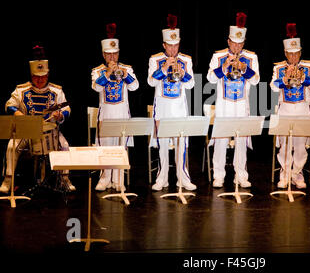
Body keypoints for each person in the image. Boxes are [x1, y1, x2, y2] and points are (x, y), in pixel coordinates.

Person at [0, 45, 75, 193]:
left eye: (42, 76)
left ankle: (65, 179)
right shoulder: (21, 90)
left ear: (47, 75)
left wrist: (60, 115)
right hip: (26, 131)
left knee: (65, 145)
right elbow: (9, 105)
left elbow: (67, 109)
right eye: (36, 76)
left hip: (50, 131)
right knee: (11, 147)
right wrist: (17, 114)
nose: (40, 80)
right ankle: (8, 179)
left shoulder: (56, 90)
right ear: (31, 75)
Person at [206, 12, 260, 188]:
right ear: (228, 41)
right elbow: (210, 78)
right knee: (221, 140)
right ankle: (219, 175)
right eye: (233, 42)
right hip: (224, 105)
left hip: (242, 105)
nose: (236, 46)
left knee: (241, 141)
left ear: (243, 43)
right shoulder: (218, 56)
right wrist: (224, 66)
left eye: (240, 43)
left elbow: (256, 80)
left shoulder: (251, 57)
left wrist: (245, 69)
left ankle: (241, 175)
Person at [148, 14, 196, 191]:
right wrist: (164, 68)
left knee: (181, 146)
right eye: (170, 46)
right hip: (161, 109)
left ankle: (182, 178)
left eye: (176, 45)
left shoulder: (186, 60)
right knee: (162, 147)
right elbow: (151, 82)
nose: (173, 50)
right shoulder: (155, 60)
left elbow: (191, 84)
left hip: (179, 110)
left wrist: (183, 73)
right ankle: (162, 179)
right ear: (164, 45)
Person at [270, 23, 310, 189]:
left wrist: (303, 77)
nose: (293, 57)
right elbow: (273, 86)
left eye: (296, 54)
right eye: (290, 54)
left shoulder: (309, 66)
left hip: (303, 111)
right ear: (285, 53)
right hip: (285, 111)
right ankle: (284, 173)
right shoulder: (278, 68)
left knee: (300, 146)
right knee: (285, 144)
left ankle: (297, 173)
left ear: (300, 52)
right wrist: (285, 78)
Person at [91, 23, 139, 191]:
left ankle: (119, 180)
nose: (112, 58)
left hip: (121, 115)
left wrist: (125, 75)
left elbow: (135, 87)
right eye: (109, 55)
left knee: (120, 147)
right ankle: (104, 178)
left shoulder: (127, 69)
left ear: (118, 53)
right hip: (105, 115)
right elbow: (96, 87)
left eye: (115, 54)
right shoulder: (97, 71)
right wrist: (107, 74)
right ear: (104, 54)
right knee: (105, 147)